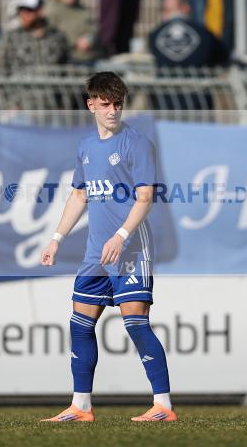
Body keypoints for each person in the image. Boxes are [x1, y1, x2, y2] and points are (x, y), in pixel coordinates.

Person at [39, 71, 175, 423]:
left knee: (136, 323)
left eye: (118, 104)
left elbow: (145, 197)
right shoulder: (86, 147)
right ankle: (81, 406)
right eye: (105, 104)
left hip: (130, 248)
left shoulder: (137, 143)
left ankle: (163, 405)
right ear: (91, 106)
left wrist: (121, 235)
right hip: (96, 253)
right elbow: (79, 195)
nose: (113, 110)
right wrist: (56, 239)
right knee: (80, 324)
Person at [0, 0, 69, 74]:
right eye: (21, 10)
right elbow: (0, 67)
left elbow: (66, 67)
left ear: (40, 10)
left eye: (28, 10)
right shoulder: (11, 38)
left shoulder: (56, 37)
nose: (23, 14)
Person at [149, 0, 227, 69]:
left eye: (163, 10)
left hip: (166, 77)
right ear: (186, 8)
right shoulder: (203, 32)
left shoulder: (154, 35)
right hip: (199, 76)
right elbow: (221, 55)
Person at [44, 0, 101, 65]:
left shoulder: (82, 9)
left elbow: (94, 30)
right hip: (66, 62)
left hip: (91, 58)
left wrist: (90, 39)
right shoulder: (50, 11)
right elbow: (48, 38)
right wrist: (74, 42)